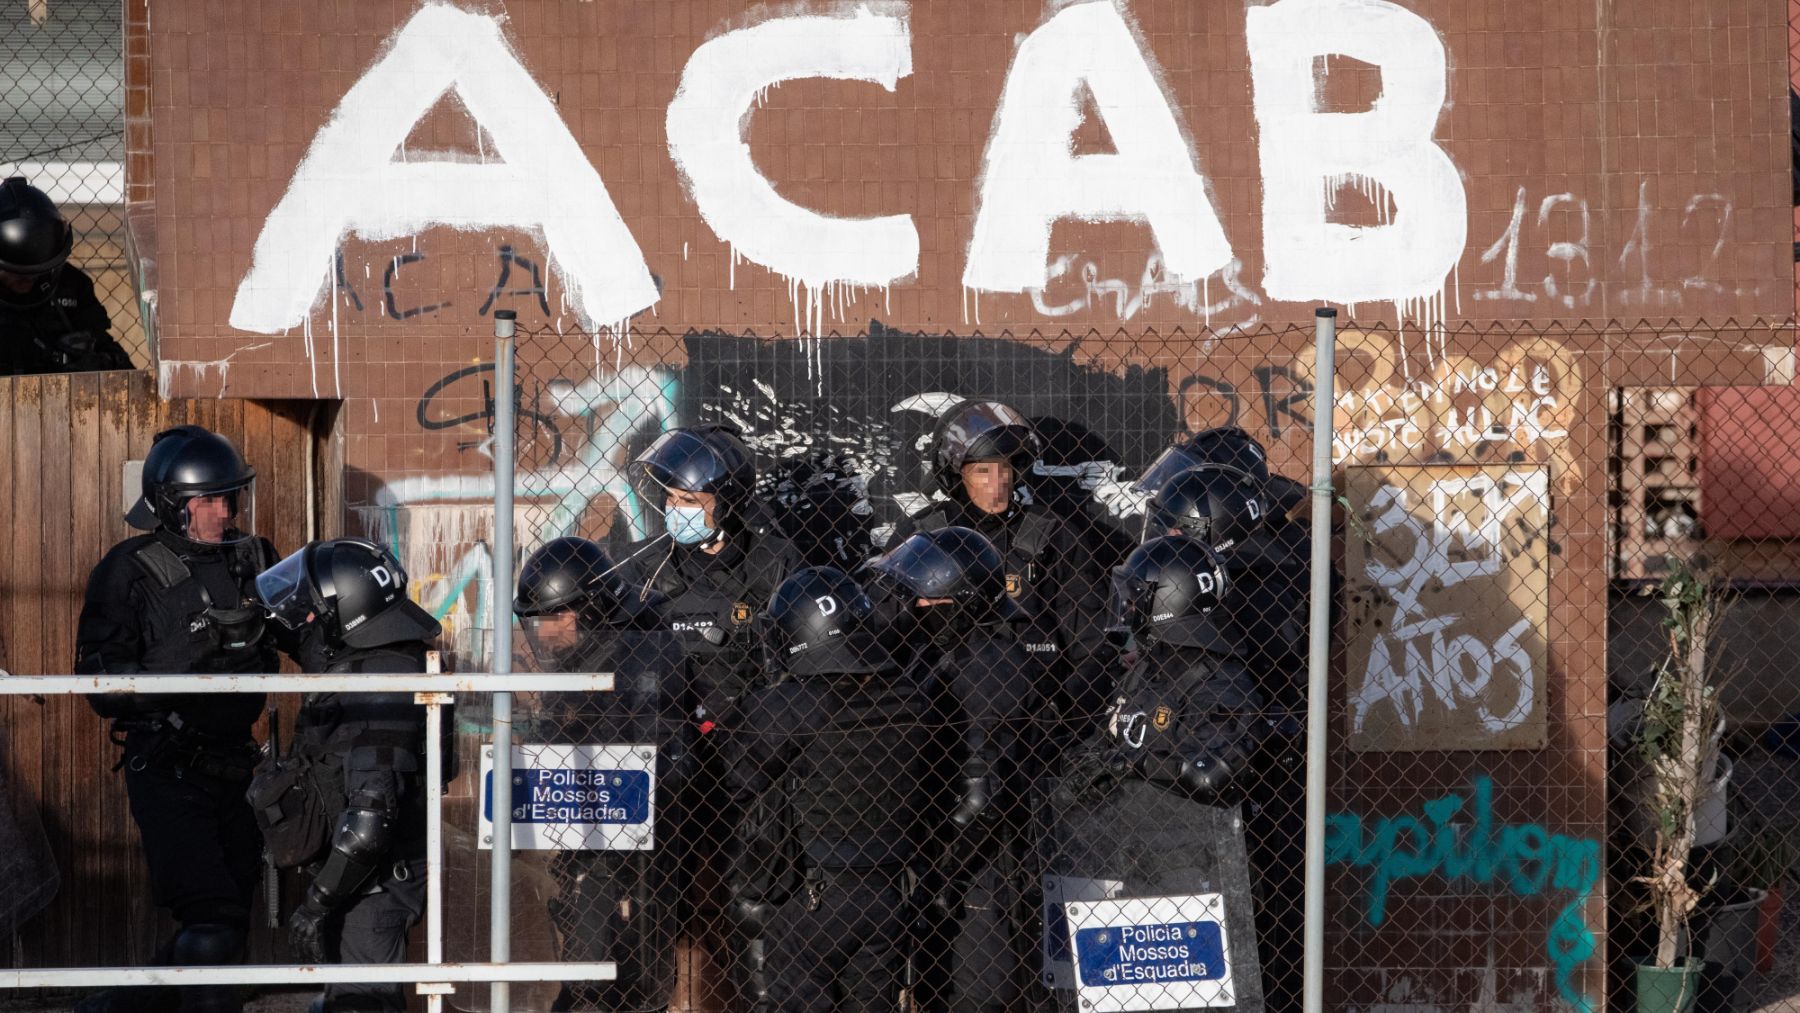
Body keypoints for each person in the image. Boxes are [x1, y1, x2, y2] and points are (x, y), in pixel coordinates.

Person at [74, 425, 277, 1013]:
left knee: (230, 929)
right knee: (211, 924)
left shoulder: (252, 557)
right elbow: (100, 684)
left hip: (238, 768)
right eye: (209, 500)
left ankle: (114, 1008)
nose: (224, 511)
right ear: (172, 505)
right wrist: (197, 656)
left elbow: (309, 632)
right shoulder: (130, 569)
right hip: (169, 767)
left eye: (229, 497)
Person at [618, 424, 802, 1007]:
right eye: (672, 500)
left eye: (691, 502)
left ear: (728, 502)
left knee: (746, 900)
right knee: (660, 900)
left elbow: (790, 674)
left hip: (747, 763)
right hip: (668, 763)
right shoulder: (648, 569)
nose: (678, 512)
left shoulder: (774, 564)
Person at [1047, 534, 1269, 1011]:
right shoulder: (1149, 667)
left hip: (1191, 878)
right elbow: (1114, 737)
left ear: (1165, 597)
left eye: (1136, 597)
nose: (1127, 609)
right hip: (1126, 863)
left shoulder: (1215, 674)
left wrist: (1132, 764)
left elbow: (1216, 774)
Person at [722, 566, 937, 1011]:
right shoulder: (908, 695)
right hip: (890, 891)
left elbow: (731, 783)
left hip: (814, 895)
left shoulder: (790, 704)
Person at [256, 538, 441, 1013]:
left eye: (315, 610)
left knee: (361, 1005)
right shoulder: (379, 655)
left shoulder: (378, 684)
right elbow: (317, 646)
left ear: (349, 610)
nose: (307, 620)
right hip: (358, 882)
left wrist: (315, 905)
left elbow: (368, 820)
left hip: (372, 886)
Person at [514, 536, 696, 1013]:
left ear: (592, 611)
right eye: (536, 621)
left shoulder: (642, 655)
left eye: (556, 618)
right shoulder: (577, 661)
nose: (544, 633)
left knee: (607, 971)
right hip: (584, 835)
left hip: (631, 839)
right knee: (585, 964)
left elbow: (655, 751)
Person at [866, 526, 1038, 1013]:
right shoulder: (939, 653)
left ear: (956, 603)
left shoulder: (988, 661)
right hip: (943, 856)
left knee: (971, 994)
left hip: (972, 870)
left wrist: (937, 874)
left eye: (923, 600)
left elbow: (983, 797)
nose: (912, 609)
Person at [891, 399, 1115, 772]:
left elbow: (1090, 644)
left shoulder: (1052, 536)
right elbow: (885, 632)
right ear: (956, 472)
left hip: (1031, 722)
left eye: (1006, 468)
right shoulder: (922, 537)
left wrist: (1066, 722)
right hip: (938, 715)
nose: (998, 484)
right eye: (983, 470)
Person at [0, 176, 132, 375]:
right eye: (15, 272)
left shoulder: (72, 286)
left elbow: (119, 363)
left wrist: (94, 362)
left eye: (35, 272)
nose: (26, 279)